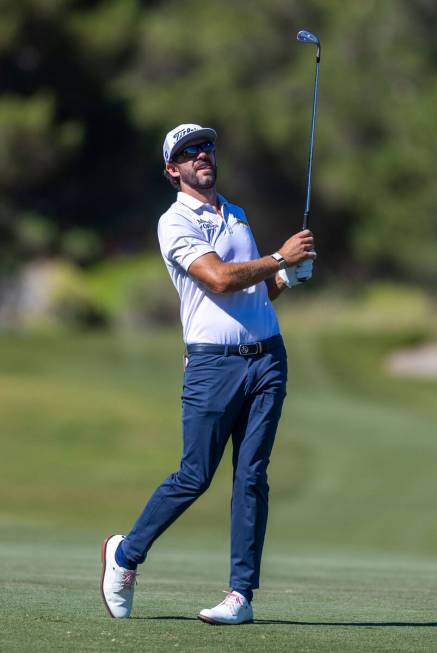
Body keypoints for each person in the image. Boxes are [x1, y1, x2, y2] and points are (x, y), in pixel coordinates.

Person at [100, 123, 316, 625]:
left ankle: (241, 595)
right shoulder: (173, 222)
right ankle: (126, 554)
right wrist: (279, 257)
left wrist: (287, 276)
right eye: (188, 151)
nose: (202, 154)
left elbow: (255, 291)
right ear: (172, 170)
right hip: (213, 366)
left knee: (252, 476)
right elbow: (219, 279)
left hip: (267, 359)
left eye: (207, 147)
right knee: (194, 475)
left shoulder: (236, 214)